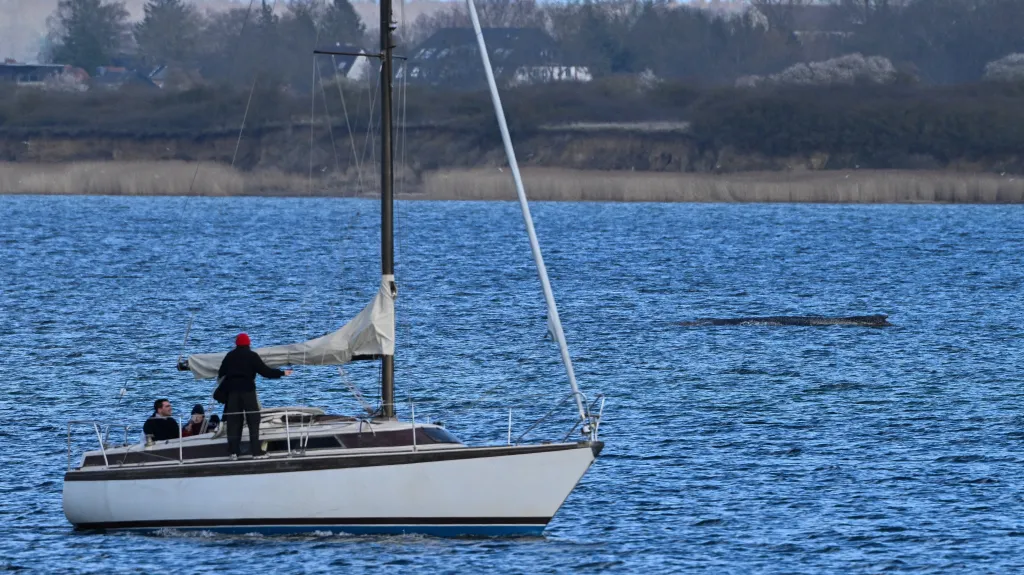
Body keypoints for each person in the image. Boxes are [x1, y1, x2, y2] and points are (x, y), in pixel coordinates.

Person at [218, 333, 292, 459]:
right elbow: (265, 372)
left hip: (232, 393)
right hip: (248, 391)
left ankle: (234, 452)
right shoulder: (252, 356)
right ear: (248, 343)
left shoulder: (229, 356)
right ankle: (256, 452)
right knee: (253, 420)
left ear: (236, 343)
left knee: (234, 421)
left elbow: (221, 373)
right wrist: (282, 373)